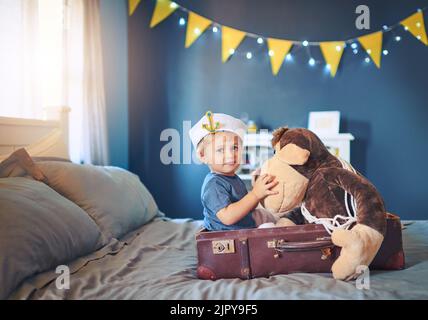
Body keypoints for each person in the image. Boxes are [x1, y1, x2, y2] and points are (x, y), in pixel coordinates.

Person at [189, 111, 279, 231]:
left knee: (272, 216)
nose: (231, 155)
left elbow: (244, 207)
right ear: (202, 155)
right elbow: (228, 217)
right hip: (227, 236)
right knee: (271, 229)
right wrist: (255, 194)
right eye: (220, 150)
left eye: (235, 148)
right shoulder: (214, 184)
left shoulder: (232, 178)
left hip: (244, 226)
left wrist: (256, 187)